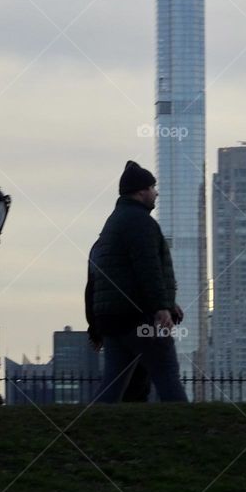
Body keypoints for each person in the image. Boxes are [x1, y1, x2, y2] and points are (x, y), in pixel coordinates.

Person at [89, 161, 187, 403]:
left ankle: (88, 430)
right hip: (138, 318)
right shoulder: (140, 223)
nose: (156, 193)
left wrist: (167, 303)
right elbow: (148, 269)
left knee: (112, 383)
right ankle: (189, 430)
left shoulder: (115, 221)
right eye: (153, 187)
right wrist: (161, 307)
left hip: (114, 319)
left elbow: (123, 273)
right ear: (141, 191)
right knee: (167, 373)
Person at [85, 238, 152, 401]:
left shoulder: (99, 248)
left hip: (111, 322)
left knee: (119, 378)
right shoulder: (137, 244)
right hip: (136, 321)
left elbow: (91, 290)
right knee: (138, 380)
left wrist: (94, 327)